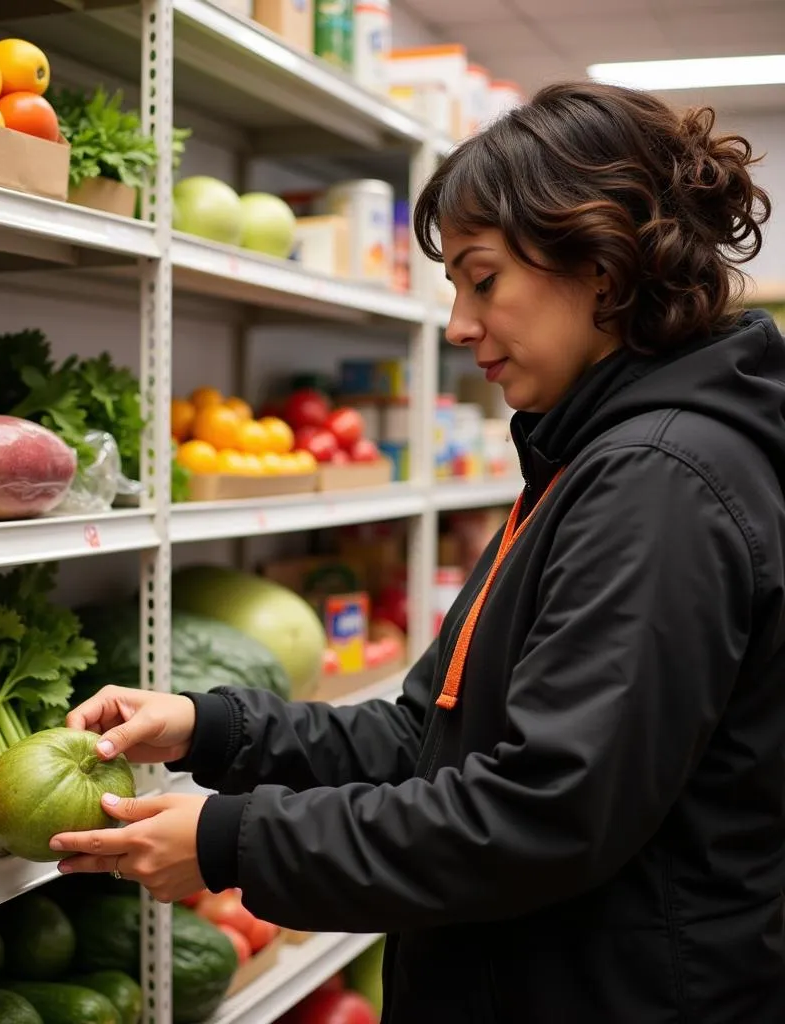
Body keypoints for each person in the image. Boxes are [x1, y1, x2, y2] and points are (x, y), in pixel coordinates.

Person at [51, 82, 785, 1022]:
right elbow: (425, 738)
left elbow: (546, 813)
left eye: (483, 280)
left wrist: (237, 840)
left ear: (601, 268)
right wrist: (212, 729)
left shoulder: (659, 482)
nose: (459, 326)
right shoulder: (589, 459)